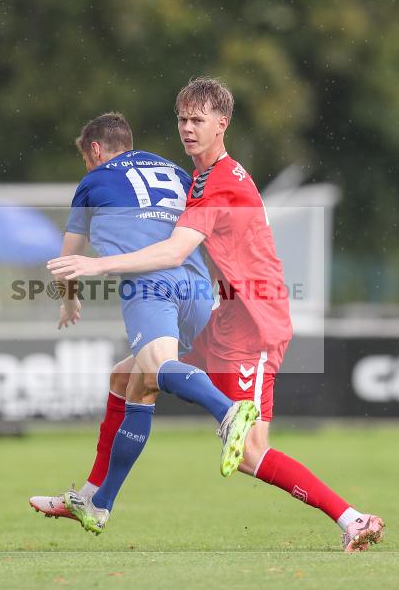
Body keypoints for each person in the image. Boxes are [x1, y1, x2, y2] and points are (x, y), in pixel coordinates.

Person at [46, 78, 385, 552]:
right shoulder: (201, 178)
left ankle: (352, 518)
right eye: (182, 119)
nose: (188, 129)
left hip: (252, 324)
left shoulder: (220, 184)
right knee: (131, 378)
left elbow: (173, 252)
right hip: (229, 315)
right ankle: (96, 502)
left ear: (222, 124)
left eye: (198, 120)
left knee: (251, 454)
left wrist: (95, 265)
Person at [32, 112, 259, 534]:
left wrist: (69, 301)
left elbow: (67, 261)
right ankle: (97, 502)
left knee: (155, 369)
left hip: (149, 283)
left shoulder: (94, 181)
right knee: (129, 381)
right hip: (197, 286)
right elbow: (209, 234)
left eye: (86, 159)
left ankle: (228, 412)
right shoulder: (176, 171)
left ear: (95, 150)